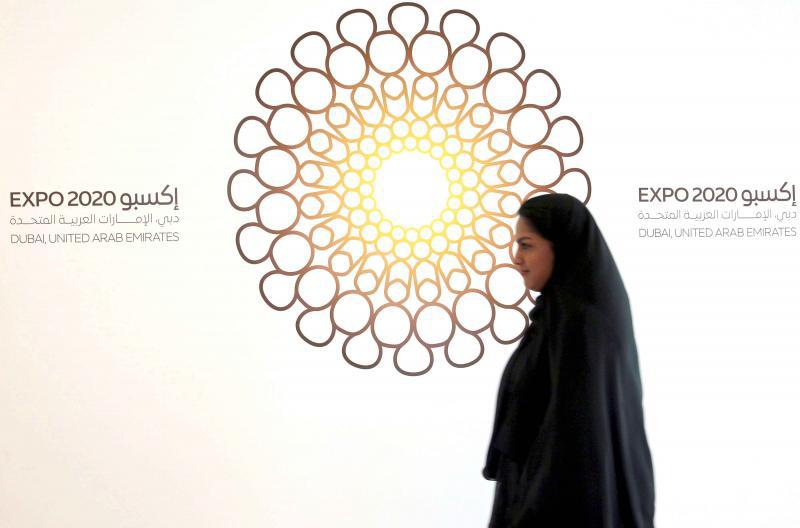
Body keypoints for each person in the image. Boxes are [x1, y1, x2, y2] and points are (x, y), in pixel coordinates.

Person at [482, 193, 656, 527]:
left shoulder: (581, 325)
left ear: (560, 245)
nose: (516, 259)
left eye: (526, 245)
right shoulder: (557, 320)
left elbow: (574, 443)